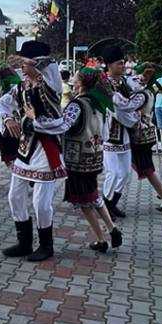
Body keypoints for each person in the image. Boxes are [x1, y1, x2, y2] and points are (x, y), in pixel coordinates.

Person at [0, 41, 66, 262]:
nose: (21, 67)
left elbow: (49, 64)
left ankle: (46, 245)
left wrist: (33, 63)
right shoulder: (21, 87)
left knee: (40, 203)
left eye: (24, 61)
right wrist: (7, 119)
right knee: (14, 196)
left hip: (46, 149)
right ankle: (24, 242)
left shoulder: (51, 84)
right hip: (25, 149)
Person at [57, 68, 123, 253]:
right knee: (93, 195)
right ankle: (112, 228)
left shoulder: (76, 105)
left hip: (77, 158)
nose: (72, 81)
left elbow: (63, 126)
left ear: (81, 83)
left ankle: (102, 238)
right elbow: (106, 134)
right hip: (94, 156)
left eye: (75, 79)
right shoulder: (98, 104)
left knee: (85, 201)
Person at [101, 46, 145, 220]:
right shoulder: (104, 83)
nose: (123, 66)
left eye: (123, 63)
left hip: (125, 132)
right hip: (109, 132)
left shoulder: (124, 81)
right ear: (109, 65)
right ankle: (104, 207)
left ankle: (111, 204)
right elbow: (122, 105)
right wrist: (142, 99)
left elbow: (136, 91)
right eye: (119, 63)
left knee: (125, 172)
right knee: (112, 172)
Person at [130, 63, 162, 212]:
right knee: (147, 168)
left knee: (146, 169)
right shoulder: (152, 90)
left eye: (137, 77)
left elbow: (129, 109)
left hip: (140, 135)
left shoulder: (141, 94)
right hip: (148, 133)